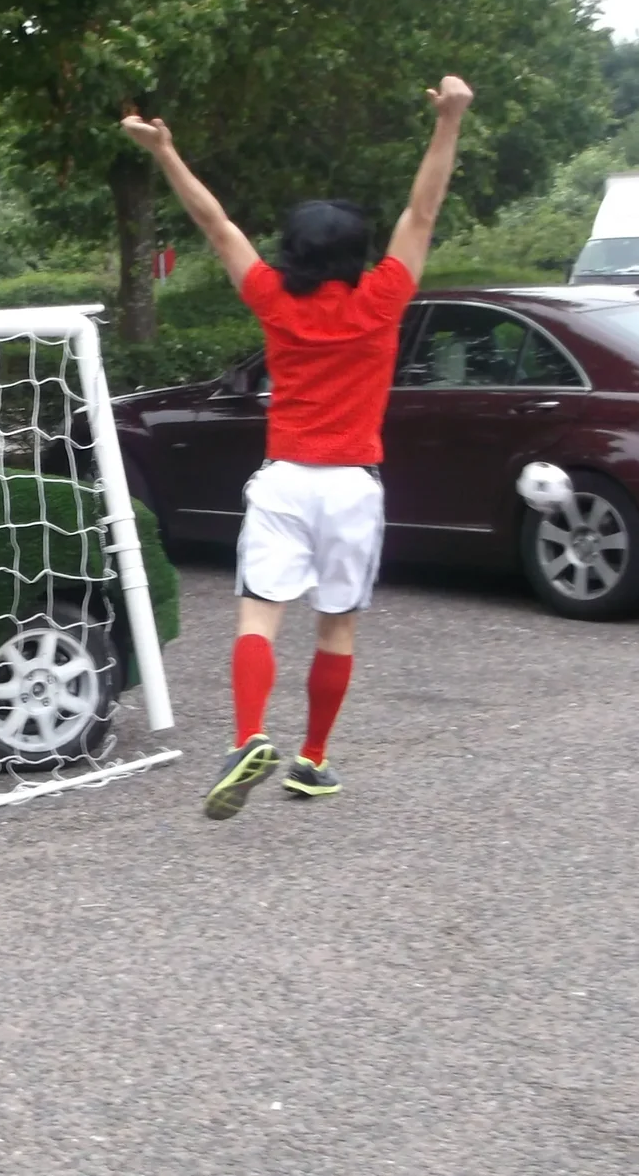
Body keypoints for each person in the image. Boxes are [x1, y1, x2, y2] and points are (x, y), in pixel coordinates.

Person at [119, 76, 474, 819]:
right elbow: (424, 207)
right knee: (336, 623)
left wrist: (167, 153)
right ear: (356, 253)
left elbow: (214, 224)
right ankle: (311, 758)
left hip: (284, 481)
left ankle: (249, 735)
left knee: (258, 614)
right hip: (353, 485)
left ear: (294, 252)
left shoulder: (274, 299)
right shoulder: (382, 298)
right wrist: (450, 120)